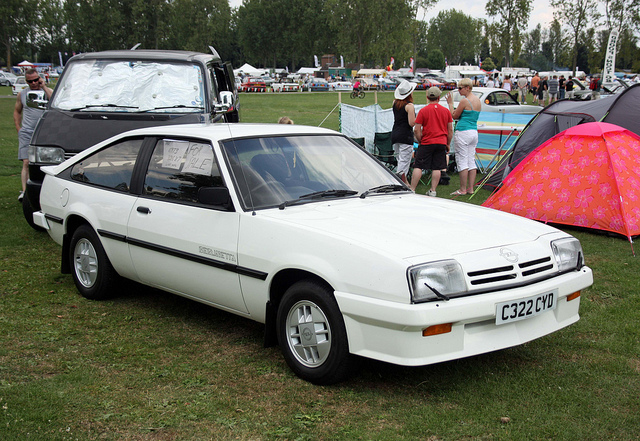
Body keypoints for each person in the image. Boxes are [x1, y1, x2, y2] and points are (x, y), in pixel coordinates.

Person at [14, 68, 53, 202]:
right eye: (30, 81)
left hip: (43, 131)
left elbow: (53, 101)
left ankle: (43, 190)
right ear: (27, 81)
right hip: (27, 131)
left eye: (36, 80)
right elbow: (17, 111)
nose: (34, 83)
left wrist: (44, 86)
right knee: (26, 162)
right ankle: (25, 193)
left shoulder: (46, 91)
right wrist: (19, 127)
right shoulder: (22, 94)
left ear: (40, 78)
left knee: (44, 162)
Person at [412, 87, 453, 197]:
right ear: (439, 97)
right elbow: (450, 130)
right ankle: (433, 190)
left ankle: (412, 189)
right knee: (437, 167)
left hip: (427, 142)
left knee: (418, 166)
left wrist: (420, 140)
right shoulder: (446, 111)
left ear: (427, 97)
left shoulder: (423, 111)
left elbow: (416, 129)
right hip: (441, 142)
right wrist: (448, 143)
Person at [446, 78, 481, 196]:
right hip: (473, 132)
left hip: (463, 132)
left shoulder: (465, 101)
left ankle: (462, 189)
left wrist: (450, 104)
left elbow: (454, 115)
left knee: (462, 160)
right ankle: (470, 189)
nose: (459, 90)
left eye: (460, 88)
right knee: (471, 160)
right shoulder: (477, 100)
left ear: (467, 88)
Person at [391, 80, 417, 185]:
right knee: (404, 161)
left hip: (395, 133)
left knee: (399, 159)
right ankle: (399, 182)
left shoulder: (395, 103)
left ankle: (404, 182)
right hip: (405, 135)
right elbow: (411, 123)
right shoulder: (409, 106)